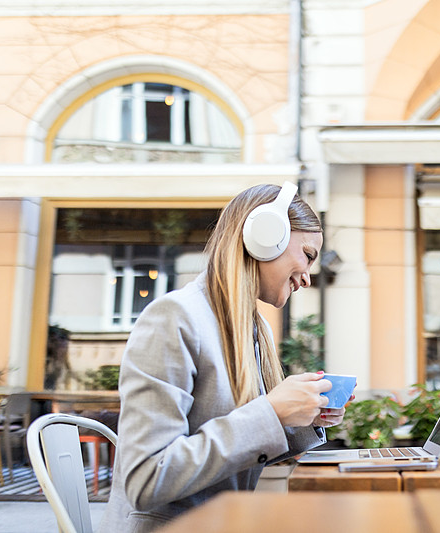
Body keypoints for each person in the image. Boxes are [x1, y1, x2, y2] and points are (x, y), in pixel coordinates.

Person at [100, 183, 344, 532]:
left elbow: (242, 451)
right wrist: (271, 412)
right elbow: (146, 479)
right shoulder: (175, 316)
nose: (307, 277)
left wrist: (303, 418)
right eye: (307, 255)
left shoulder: (255, 329)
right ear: (265, 234)